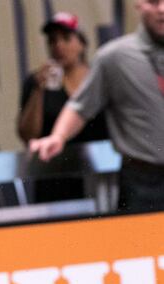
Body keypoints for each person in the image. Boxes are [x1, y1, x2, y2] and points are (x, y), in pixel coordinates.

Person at [30, 0, 164, 213]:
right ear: (139, 4)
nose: (162, 9)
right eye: (154, 2)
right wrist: (58, 136)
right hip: (142, 179)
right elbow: (80, 106)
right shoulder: (115, 57)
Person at [17, 12, 109, 202]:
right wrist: (38, 91)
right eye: (52, 41)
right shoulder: (37, 83)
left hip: (103, 175)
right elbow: (28, 135)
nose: (58, 45)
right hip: (55, 178)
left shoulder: (100, 79)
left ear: (82, 43)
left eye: (66, 38)